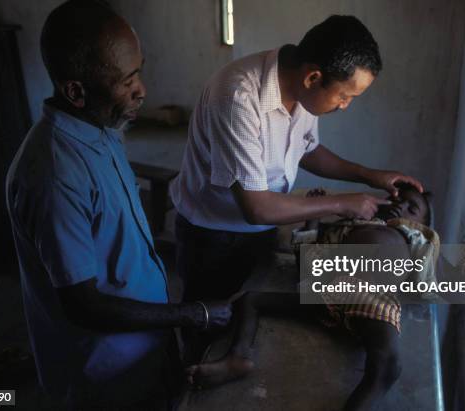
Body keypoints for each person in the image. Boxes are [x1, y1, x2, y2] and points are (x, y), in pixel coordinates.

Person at [5, 1, 232, 408]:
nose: (142, 90)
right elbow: (84, 305)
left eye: (139, 72)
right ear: (76, 91)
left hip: (146, 348)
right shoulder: (55, 173)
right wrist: (190, 313)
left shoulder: (100, 130)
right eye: (127, 81)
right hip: (105, 374)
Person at [170, 14, 424, 361]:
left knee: (244, 318)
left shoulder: (302, 91)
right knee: (207, 329)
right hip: (213, 235)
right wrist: (340, 204)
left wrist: (368, 175)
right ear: (313, 77)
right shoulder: (238, 95)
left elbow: (308, 150)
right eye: (345, 96)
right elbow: (257, 206)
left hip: (258, 228)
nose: (345, 105)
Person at [185, 184, 465, 411]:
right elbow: (307, 262)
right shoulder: (350, 226)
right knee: (249, 298)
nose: (400, 206)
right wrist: (314, 218)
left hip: (374, 298)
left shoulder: (415, 240)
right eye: (397, 199)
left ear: (421, 225)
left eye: (411, 207)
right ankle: (238, 358)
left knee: (387, 366)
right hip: (331, 291)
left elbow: (454, 286)